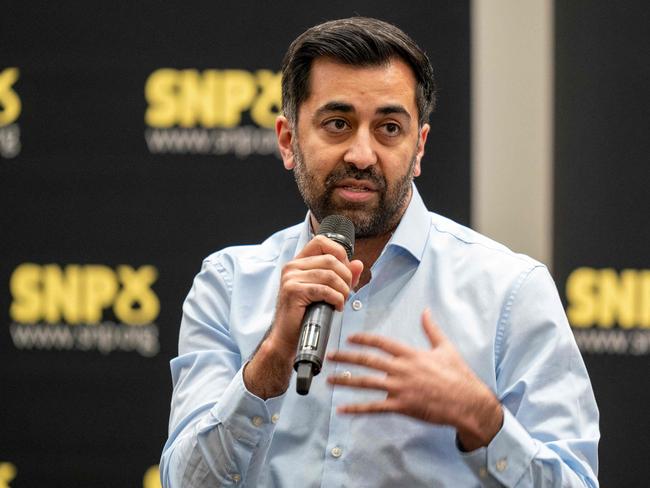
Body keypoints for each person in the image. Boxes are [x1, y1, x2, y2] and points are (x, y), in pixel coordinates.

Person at [160, 17, 599, 487]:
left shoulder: (511, 292)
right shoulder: (227, 285)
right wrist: (269, 363)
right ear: (288, 141)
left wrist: (485, 423)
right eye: (337, 124)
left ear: (419, 148)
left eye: (389, 127)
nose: (362, 155)